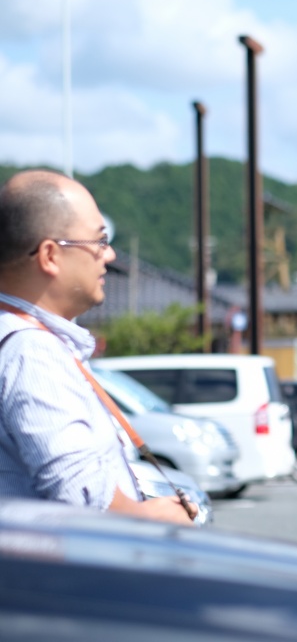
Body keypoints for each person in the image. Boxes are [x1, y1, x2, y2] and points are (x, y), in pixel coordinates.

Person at [0, 170, 194, 524]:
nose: (109, 254)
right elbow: (80, 495)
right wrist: (152, 518)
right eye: (99, 242)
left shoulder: (28, 341)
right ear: (50, 255)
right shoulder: (32, 352)